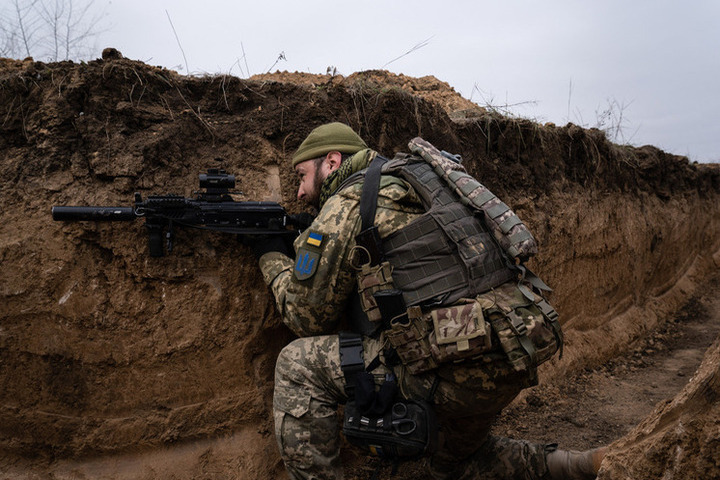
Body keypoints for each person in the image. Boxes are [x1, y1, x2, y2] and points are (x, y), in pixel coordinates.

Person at [251, 122, 606, 479]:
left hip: (452, 370)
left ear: (331, 161)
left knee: (297, 366)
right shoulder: (424, 178)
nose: (299, 192)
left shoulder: (348, 203)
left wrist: (271, 254)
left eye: (302, 176)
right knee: (456, 462)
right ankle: (572, 464)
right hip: (512, 353)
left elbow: (305, 317)